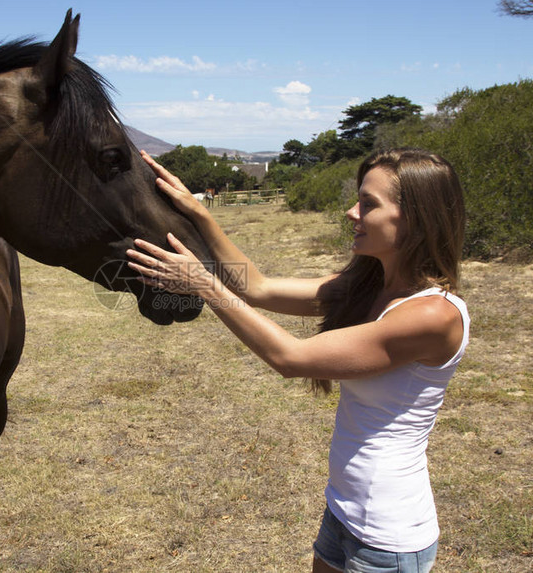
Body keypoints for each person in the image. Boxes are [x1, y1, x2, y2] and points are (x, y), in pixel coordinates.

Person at [127, 148, 469, 573]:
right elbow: (259, 287)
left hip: (388, 536)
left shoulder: (433, 315)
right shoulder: (366, 288)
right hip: (343, 511)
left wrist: (202, 284)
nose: (351, 213)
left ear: (416, 219)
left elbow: (290, 357)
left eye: (368, 204)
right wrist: (198, 211)